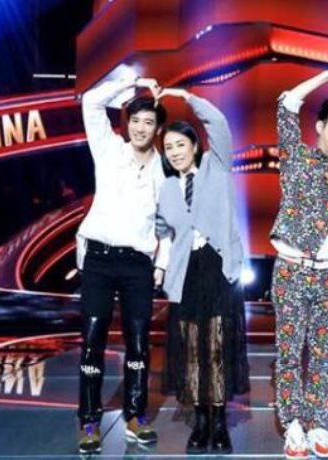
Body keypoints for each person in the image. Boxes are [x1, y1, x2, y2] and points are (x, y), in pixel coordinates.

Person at [270, 65, 328, 459]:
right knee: (290, 352)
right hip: (292, 270)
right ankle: (293, 424)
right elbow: (289, 103)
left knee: (324, 354)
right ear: (321, 127)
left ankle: (316, 422)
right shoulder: (298, 158)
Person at [155, 87, 250, 455]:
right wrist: (161, 267)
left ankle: (220, 422)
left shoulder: (216, 166)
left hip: (218, 267)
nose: (175, 152)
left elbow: (219, 123)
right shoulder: (165, 188)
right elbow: (163, 232)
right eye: (169, 148)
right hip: (186, 274)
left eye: (180, 144)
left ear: (194, 145)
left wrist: (184, 96)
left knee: (217, 345)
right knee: (192, 347)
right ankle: (201, 421)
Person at [76, 76, 165, 454]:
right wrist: (135, 81)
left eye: (148, 122)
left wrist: (161, 263)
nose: (140, 128)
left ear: (157, 129)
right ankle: (89, 421)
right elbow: (91, 102)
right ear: (127, 123)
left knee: (139, 344)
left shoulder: (164, 169)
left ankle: (135, 415)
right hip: (98, 259)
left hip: (137, 266)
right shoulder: (109, 148)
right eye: (135, 120)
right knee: (92, 342)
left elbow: (167, 223)